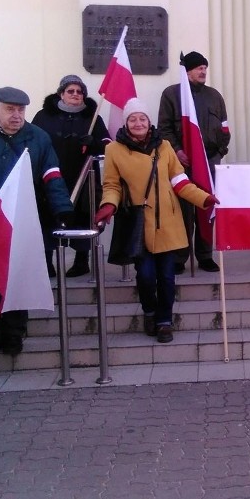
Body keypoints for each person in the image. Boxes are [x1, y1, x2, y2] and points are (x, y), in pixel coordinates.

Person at [95, 99, 219, 343]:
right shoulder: (114, 150)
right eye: (133, 119)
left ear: (148, 121)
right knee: (146, 275)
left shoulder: (163, 146)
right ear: (126, 122)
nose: (138, 123)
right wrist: (108, 204)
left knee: (167, 277)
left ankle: (164, 321)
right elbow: (111, 185)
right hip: (139, 224)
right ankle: (149, 311)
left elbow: (179, 180)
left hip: (168, 223)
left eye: (142, 118)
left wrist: (204, 198)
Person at [0, 87, 74, 356]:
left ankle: (14, 332)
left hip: (22, 218)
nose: (16, 116)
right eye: (10, 109)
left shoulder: (37, 137)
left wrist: (62, 209)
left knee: (17, 276)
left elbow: (52, 174)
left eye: (21, 110)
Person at [157, 51, 230, 274]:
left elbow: (224, 127)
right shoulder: (172, 95)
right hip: (183, 164)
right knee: (184, 211)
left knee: (206, 207)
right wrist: (177, 151)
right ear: (186, 71)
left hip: (209, 161)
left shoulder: (214, 96)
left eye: (205, 68)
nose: (203, 72)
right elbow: (164, 128)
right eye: (199, 68)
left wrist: (220, 150)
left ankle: (205, 255)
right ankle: (180, 257)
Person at [33, 75, 111, 277]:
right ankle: (47, 261)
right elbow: (34, 141)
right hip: (50, 177)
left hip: (82, 177)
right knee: (48, 216)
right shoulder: (43, 116)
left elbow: (107, 144)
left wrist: (93, 141)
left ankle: (81, 261)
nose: (76, 95)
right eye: (71, 91)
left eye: (80, 92)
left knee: (82, 217)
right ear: (61, 94)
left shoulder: (93, 117)